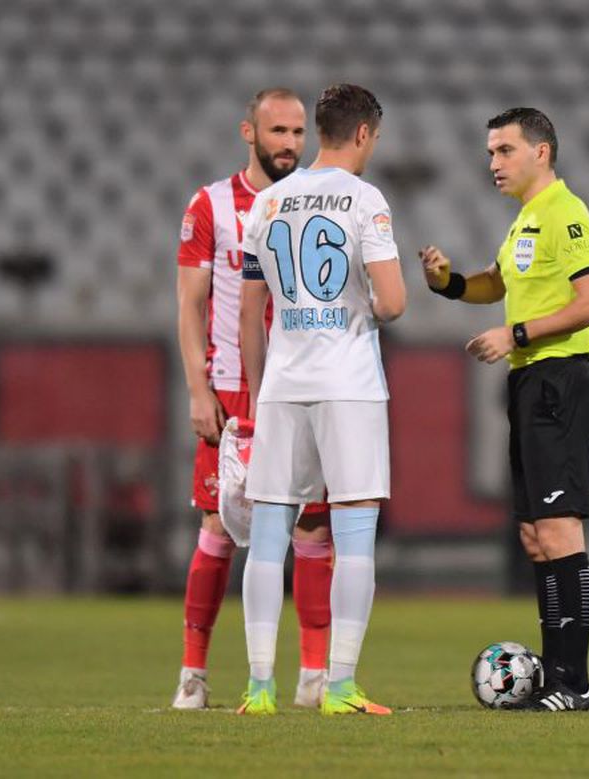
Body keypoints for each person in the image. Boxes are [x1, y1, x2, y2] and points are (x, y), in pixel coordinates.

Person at [421, 107, 589, 712]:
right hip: (530, 381)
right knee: (534, 536)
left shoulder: (565, 213)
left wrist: (517, 334)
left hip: (561, 380)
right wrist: (449, 282)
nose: (494, 163)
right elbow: (498, 284)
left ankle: (575, 682)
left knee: (560, 529)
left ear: (541, 152)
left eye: (504, 150)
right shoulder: (525, 220)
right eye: (490, 153)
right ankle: (555, 675)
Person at [237, 83, 405, 716]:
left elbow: (251, 312)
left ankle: (258, 688)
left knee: (268, 537)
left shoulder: (268, 201)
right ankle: (339, 687)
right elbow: (392, 302)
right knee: (354, 533)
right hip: (348, 384)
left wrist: (259, 394)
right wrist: (366, 300)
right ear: (363, 133)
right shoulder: (365, 199)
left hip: (283, 384)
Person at [172, 88, 333, 710]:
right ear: (249, 133)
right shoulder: (211, 204)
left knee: (313, 524)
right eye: (278, 132)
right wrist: (198, 389)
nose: (290, 144)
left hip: (303, 383)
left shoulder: (315, 203)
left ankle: (314, 676)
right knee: (217, 526)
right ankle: (193, 673)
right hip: (233, 388)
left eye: (298, 132)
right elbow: (189, 304)